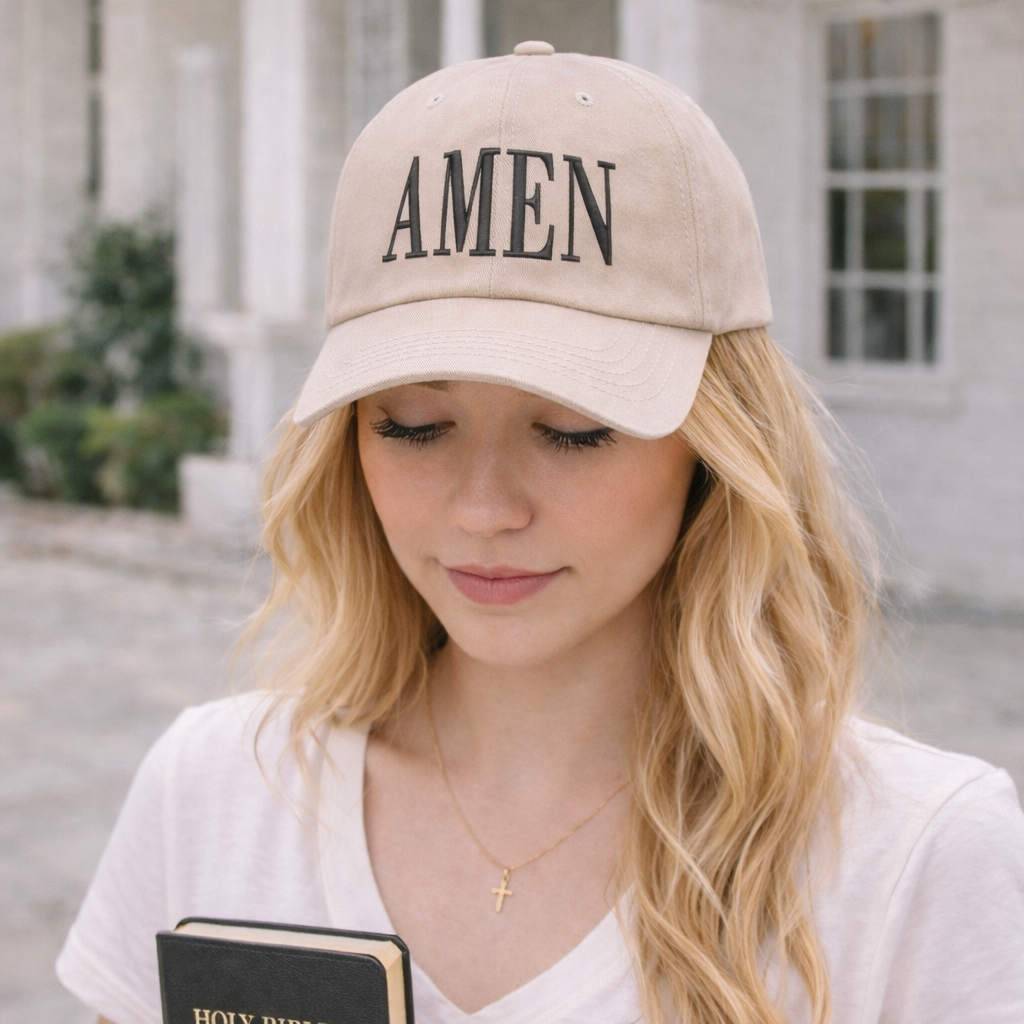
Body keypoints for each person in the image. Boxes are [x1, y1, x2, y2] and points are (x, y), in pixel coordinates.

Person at [57, 42, 1024, 1024]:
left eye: (572, 430)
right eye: (414, 426)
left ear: (716, 443)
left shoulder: (913, 861)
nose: (484, 509)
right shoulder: (216, 793)